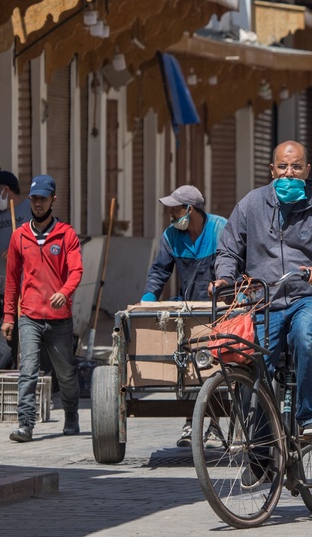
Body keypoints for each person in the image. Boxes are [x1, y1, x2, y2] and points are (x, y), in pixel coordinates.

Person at [211, 140, 312, 441]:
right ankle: (259, 451)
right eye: (283, 166)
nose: (289, 173)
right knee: (254, 365)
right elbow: (229, 250)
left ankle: (311, 418)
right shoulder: (251, 203)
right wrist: (224, 277)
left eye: (296, 167)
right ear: (272, 169)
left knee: (305, 335)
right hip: (264, 301)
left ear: (306, 170)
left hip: (309, 296)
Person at [141, 184, 227, 447]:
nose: (170, 215)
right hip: (189, 308)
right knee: (187, 365)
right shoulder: (171, 236)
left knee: (216, 365)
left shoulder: (221, 229)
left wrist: (226, 284)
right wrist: (148, 298)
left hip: (220, 308)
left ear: (190, 209)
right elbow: (159, 271)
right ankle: (190, 424)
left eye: (174, 210)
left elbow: (235, 261)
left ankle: (214, 426)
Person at [2, 175, 83, 443]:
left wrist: (64, 292)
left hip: (60, 319)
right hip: (29, 317)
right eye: (34, 198)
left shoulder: (67, 234)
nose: (38, 204)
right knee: (28, 370)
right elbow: (12, 279)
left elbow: (76, 271)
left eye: (43, 199)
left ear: (53, 200)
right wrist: (8, 317)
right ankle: (25, 423)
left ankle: (71, 414)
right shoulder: (19, 236)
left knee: (66, 374)